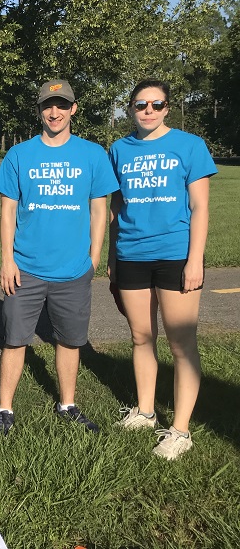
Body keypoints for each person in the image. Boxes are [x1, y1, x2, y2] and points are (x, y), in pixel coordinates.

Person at [0, 79, 118, 436]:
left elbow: (99, 211)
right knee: (15, 340)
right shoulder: (20, 155)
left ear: (73, 109)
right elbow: (7, 212)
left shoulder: (92, 154)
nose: (55, 112)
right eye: (48, 105)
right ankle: (5, 408)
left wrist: (92, 259)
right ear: (40, 110)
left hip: (73, 269)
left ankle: (67, 404)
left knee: (69, 340)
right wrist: (7, 259)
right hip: (25, 267)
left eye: (62, 105)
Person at [108, 79, 217, 460]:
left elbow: (201, 207)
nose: (148, 111)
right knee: (141, 337)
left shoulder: (189, 146)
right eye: (141, 105)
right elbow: (115, 209)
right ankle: (146, 411)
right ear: (131, 109)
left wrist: (194, 260)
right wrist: (112, 256)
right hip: (131, 254)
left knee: (181, 344)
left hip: (175, 254)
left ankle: (181, 430)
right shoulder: (119, 149)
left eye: (156, 104)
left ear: (167, 107)